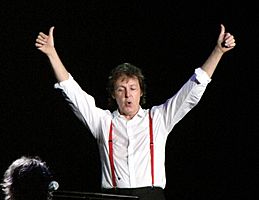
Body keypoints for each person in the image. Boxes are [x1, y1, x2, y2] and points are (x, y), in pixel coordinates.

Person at [35, 24, 235, 200]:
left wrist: (218, 51)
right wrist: (52, 53)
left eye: (132, 88)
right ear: (113, 94)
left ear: (141, 92)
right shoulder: (103, 122)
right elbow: (73, 93)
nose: (127, 95)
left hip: (151, 196)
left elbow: (191, 91)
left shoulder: (158, 118)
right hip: (113, 196)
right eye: (121, 89)